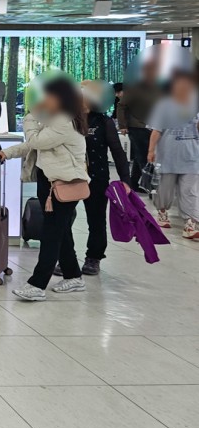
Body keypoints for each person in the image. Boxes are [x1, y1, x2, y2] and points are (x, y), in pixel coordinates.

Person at [0, 77, 89, 302]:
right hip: (51, 184)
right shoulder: (55, 119)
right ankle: (73, 276)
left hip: (61, 186)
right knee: (61, 232)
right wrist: (8, 153)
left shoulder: (64, 121)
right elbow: (35, 143)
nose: (43, 100)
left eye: (48, 95)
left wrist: (30, 116)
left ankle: (37, 284)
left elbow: (36, 141)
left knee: (51, 235)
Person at [51, 81, 131, 276]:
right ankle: (67, 259)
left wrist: (126, 181)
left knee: (96, 220)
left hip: (97, 177)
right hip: (69, 177)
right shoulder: (65, 119)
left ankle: (93, 258)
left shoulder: (103, 122)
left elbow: (118, 152)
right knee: (64, 218)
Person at [147, 69, 199, 239]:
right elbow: (156, 131)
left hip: (191, 156)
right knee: (165, 190)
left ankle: (190, 223)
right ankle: (162, 211)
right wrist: (151, 150)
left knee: (190, 192)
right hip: (167, 156)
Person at [119, 62, 161, 192]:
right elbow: (121, 105)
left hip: (151, 126)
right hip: (137, 126)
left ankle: (134, 182)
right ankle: (150, 187)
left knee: (139, 156)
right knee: (144, 156)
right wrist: (123, 125)